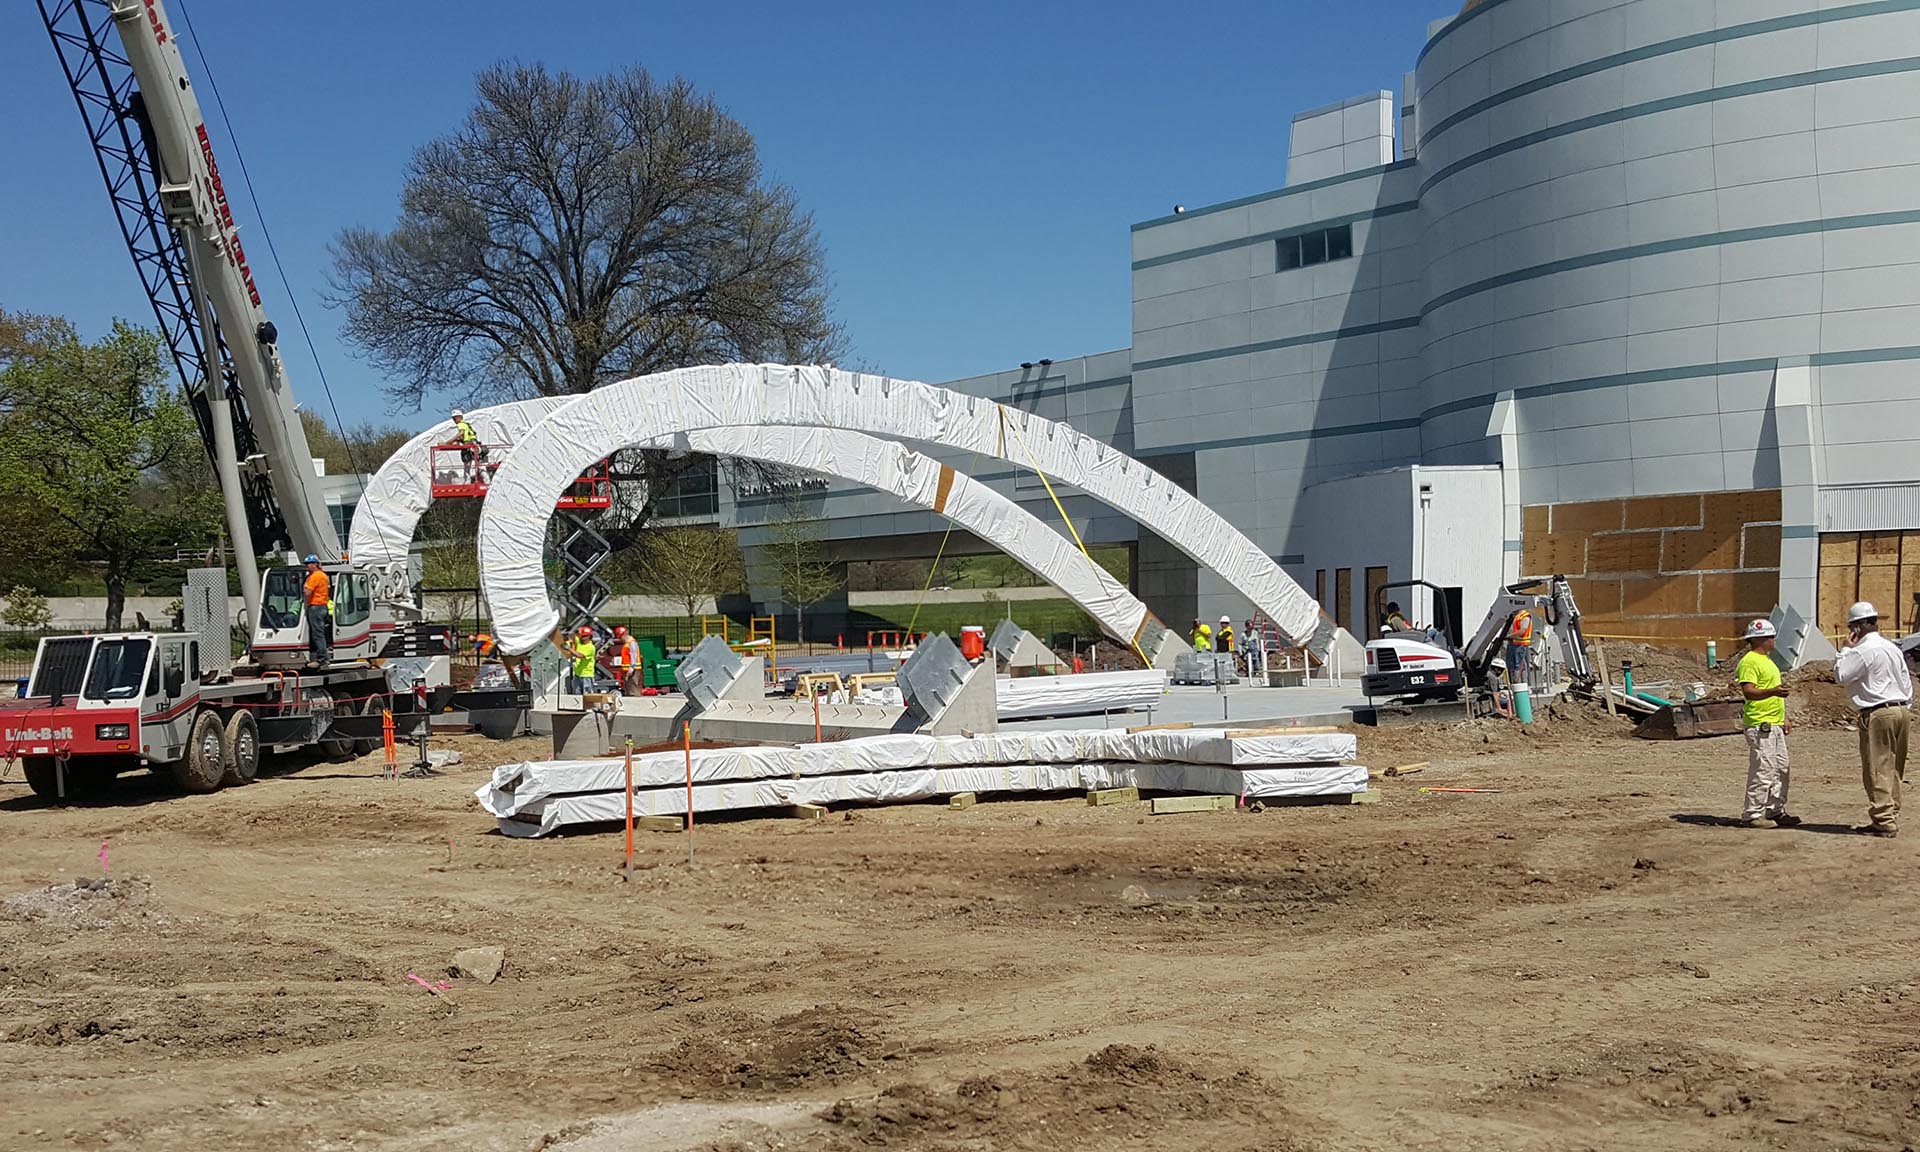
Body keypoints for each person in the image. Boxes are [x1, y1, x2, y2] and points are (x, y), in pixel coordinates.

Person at [1835, 601, 1914, 838]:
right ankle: (1891, 811)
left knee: (1876, 767)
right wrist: (1905, 705)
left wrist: (1845, 650)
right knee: (1893, 767)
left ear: (1856, 628)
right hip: (1901, 709)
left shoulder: (1863, 650)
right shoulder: (1892, 648)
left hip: (1878, 712)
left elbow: (1841, 675)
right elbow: (1906, 681)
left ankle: (1883, 819)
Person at [1734, 618, 1796, 830]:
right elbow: (1749, 691)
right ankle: (1753, 814)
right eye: (1770, 636)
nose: (1774, 640)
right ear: (1760, 639)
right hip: (1761, 724)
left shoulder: (1769, 662)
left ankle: (1775, 809)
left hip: (1774, 723)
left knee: (1781, 768)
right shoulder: (1749, 662)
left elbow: (1775, 694)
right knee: (1764, 768)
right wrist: (1773, 692)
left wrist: (1784, 718)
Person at [551, 625, 598, 695]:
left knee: (587, 695)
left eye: (584, 636)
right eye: (581, 636)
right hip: (577, 674)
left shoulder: (591, 647)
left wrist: (569, 648)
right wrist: (575, 631)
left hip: (587, 675)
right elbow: (572, 636)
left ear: (589, 636)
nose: (582, 637)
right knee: (577, 694)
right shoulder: (580, 643)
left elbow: (580, 655)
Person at [302, 555, 332, 666]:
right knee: (320, 632)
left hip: (316, 606)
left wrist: (304, 586)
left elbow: (307, 593)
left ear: (315, 564)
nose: (307, 566)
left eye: (309, 563)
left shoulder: (315, 577)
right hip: (322, 606)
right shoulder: (323, 576)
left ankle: (321, 658)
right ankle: (322, 655)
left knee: (317, 633)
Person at [450, 408, 483, 481]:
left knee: (467, 464)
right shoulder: (466, 424)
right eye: (453, 418)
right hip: (474, 445)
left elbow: (461, 433)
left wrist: (450, 441)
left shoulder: (461, 424)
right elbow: (464, 436)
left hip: (468, 445)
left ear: (460, 417)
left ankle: (467, 481)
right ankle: (482, 478)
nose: (454, 420)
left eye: (455, 418)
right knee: (477, 464)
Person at [607, 625, 641, 696]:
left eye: (620, 637)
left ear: (624, 634)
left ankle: (636, 702)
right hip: (627, 670)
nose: (620, 639)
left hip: (633, 670)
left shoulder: (631, 643)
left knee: (633, 688)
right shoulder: (627, 643)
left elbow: (633, 656)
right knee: (628, 688)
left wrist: (631, 668)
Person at [1506, 606, 1534, 685]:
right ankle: (1514, 683)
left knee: (1518, 665)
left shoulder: (1525, 616)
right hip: (1513, 643)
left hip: (1520, 645)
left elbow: (1522, 631)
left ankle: (1520, 684)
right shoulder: (1516, 616)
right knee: (1511, 664)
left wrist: (1509, 636)